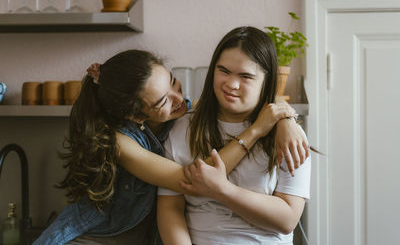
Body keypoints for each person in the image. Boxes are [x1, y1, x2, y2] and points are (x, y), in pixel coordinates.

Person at [34, 49, 308, 245]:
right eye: (163, 101)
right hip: (95, 238)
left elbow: (250, 92)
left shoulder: (178, 112)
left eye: (174, 83)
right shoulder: (121, 143)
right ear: (136, 115)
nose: (181, 99)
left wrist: (286, 119)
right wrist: (256, 130)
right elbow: (194, 179)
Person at [157, 26, 312, 245]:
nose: (231, 84)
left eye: (246, 76)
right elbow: (170, 208)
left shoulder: (288, 135)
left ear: (266, 82)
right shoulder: (182, 127)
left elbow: (288, 218)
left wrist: (223, 190)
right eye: (224, 71)